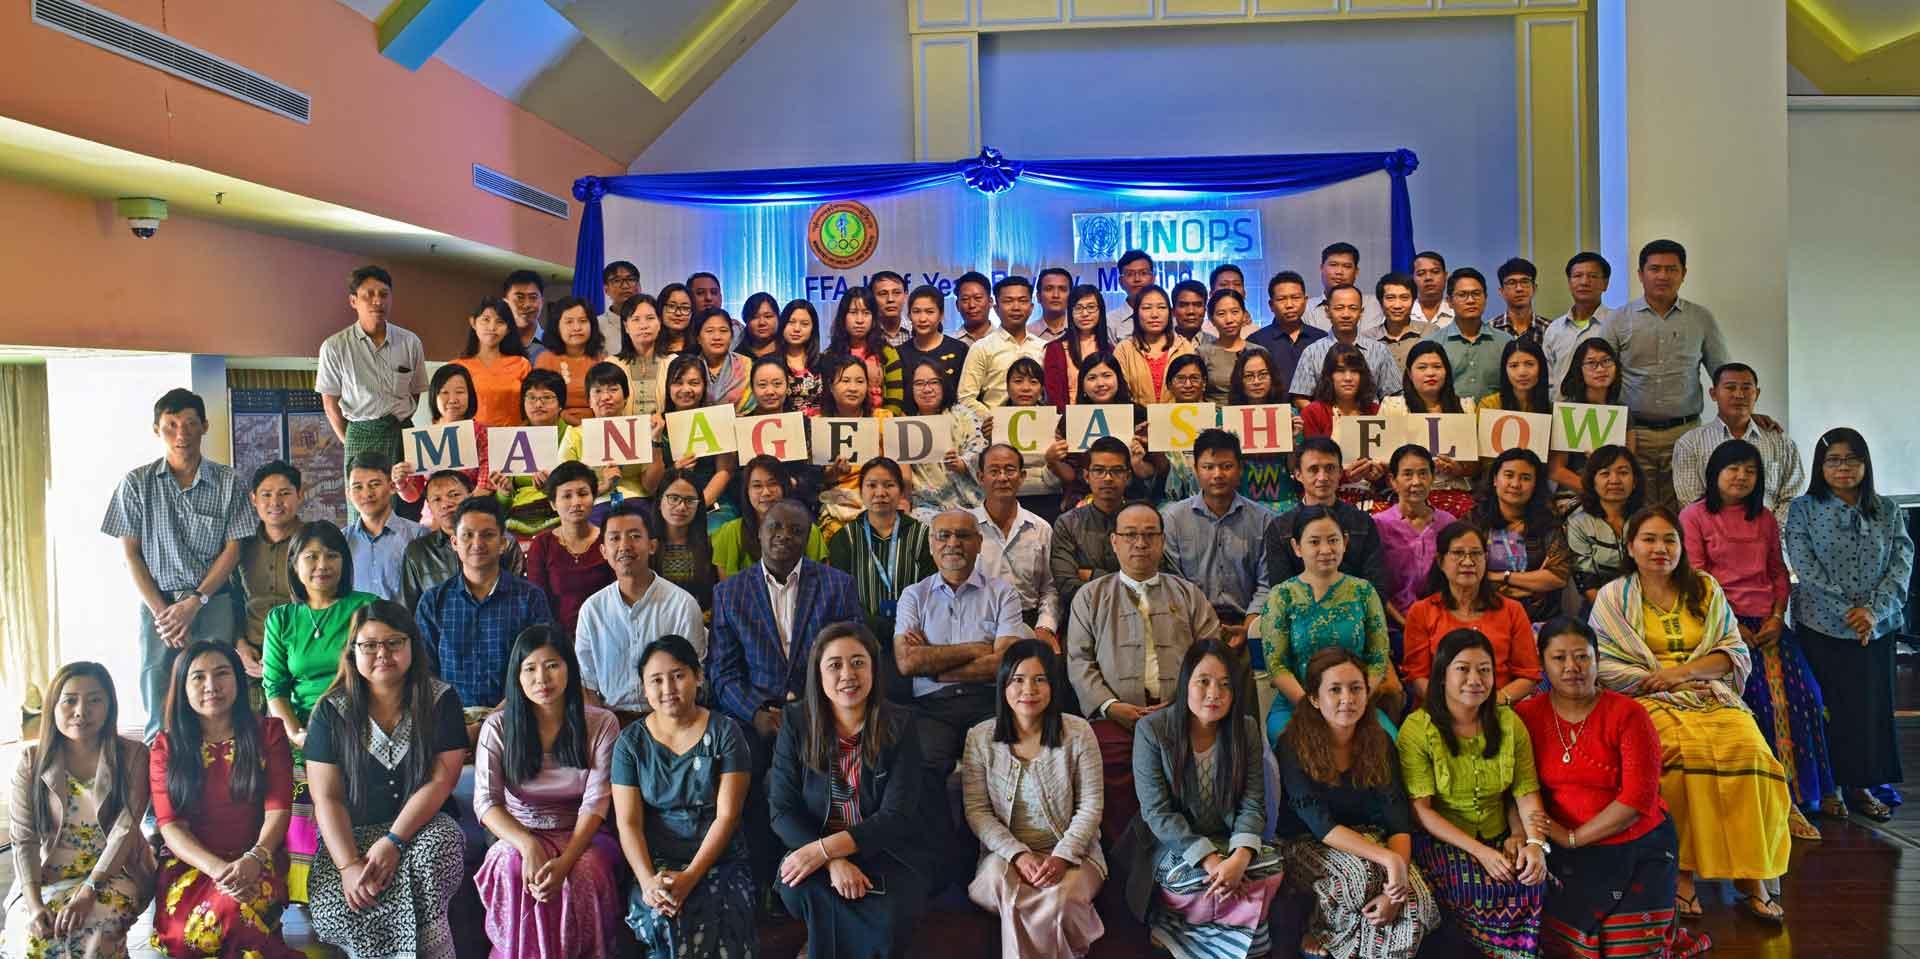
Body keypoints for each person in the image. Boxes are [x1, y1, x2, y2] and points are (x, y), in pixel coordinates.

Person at [1589, 506, 1790, 921]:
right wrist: (1662, 682)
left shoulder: (1705, 589)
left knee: (1751, 754)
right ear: (1630, 547)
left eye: (1669, 540)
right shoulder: (1614, 596)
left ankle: (1752, 875)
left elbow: (1732, 653)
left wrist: (1681, 674)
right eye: (1649, 539)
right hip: (1646, 701)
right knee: (1679, 757)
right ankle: (1682, 874)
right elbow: (1604, 664)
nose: (1660, 549)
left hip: (1710, 694)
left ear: (1683, 546)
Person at [1516, 619, 1711, 959]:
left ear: (1597, 659)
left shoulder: (1628, 713)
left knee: (1631, 951)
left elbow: (1637, 799)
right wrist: (1538, 836)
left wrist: (1574, 837)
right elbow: (1518, 787)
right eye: (1559, 658)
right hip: (1563, 853)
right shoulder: (1527, 715)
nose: (1572, 667)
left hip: (1636, 846)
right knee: (1566, 948)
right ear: (1542, 663)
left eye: (1582, 657)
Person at [706, 499, 862, 889]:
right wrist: (758, 712)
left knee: (817, 785)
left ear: (808, 537)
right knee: (750, 786)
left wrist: (816, 709)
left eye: (796, 530)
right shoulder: (730, 593)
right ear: (759, 531)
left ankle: (816, 870)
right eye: (775, 527)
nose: (784, 536)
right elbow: (722, 674)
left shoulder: (836, 586)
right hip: (756, 717)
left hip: (821, 712)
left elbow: (851, 661)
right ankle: (765, 881)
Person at [1683, 441, 1831, 839]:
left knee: (1804, 699)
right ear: (1714, 473)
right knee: (1759, 704)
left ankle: (1802, 798)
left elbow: (1778, 573)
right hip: (1722, 625)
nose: (1741, 477)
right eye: (1732, 468)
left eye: (1749, 470)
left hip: (1769, 625)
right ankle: (1764, 801)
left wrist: (1777, 617)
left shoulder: (1764, 517)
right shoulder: (1694, 516)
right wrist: (1732, 625)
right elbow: (1697, 579)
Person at [304, 600, 469, 959]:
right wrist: (348, 866)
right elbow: (327, 798)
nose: (383, 653)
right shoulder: (330, 712)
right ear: (353, 651)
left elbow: (441, 781)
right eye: (370, 645)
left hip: (422, 828)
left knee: (436, 852)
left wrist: (394, 840)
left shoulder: (440, 700)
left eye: (394, 642)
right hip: (352, 837)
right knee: (349, 901)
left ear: (412, 645)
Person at [769, 624, 932, 958]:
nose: (848, 674)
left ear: (874, 668)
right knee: (798, 889)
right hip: (814, 849)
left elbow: (896, 816)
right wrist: (830, 860)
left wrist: (826, 851)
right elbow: (781, 810)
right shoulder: (797, 721)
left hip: (885, 851)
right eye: (835, 665)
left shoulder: (900, 724)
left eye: (858, 662)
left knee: (888, 908)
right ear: (818, 672)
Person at [101, 387, 253, 737]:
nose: (181, 433)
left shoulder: (228, 482)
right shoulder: (136, 484)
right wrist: (164, 613)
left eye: (189, 423)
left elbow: (233, 551)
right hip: (159, 606)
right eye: (171, 425)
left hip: (213, 603)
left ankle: (222, 771)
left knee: (218, 693)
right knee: (158, 691)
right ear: (157, 429)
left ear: (205, 426)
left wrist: (195, 602)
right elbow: (131, 554)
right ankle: (160, 777)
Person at [1124, 641, 1290, 958]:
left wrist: (1239, 858)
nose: (1214, 693)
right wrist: (1211, 861)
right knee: (1186, 879)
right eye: (1204, 681)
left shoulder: (1246, 729)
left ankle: (1183, 931)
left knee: (1271, 866)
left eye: (1225, 684)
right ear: (1185, 681)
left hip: (1227, 837)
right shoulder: (1152, 730)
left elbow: (1253, 803)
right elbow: (1157, 813)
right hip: (1172, 843)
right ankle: (1233, 933)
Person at [1066, 502, 1221, 839]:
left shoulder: (1187, 593)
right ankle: (1124, 862)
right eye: (1130, 535)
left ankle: (1186, 853)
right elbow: (1079, 661)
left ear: (1162, 542)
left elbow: (1212, 656)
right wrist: (1110, 706)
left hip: (1182, 715)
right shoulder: (1090, 596)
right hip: (1115, 718)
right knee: (1104, 771)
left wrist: (1183, 702)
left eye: (1150, 535)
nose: (1140, 543)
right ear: (1114, 542)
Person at [1275, 648, 1440, 959]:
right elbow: (1319, 824)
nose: (1347, 699)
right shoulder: (1292, 744)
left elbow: (1397, 818)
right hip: (1307, 842)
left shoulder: (1379, 741)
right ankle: (1324, 930)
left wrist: (1398, 875)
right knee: (1359, 879)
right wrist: (1390, 861)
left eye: (1356, 689)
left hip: (1368, 838)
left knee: (1414, 898)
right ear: (1314, 698)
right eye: (1334, 690)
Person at [1786, 428, 1914, 823]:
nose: (1843, 468)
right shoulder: (1803, 509)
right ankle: (1829, 788)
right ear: (1820, 467)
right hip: (1822, 626)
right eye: (1833, 460)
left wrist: (1873, 612)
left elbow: (1901, 563)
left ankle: (1861, 785)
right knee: (1827, 708)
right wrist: (1849, 611)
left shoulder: (1887, 509)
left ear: (1865, 464)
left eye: (1851, 459)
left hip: (1875, 629)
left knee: (1869, 710)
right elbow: (1805, 568)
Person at [471, 627, 622, 958]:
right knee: (512, 866)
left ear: (569, 667)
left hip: (583, 834)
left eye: (552, 665)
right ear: (517, 676)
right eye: (530, 668)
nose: (543, 678)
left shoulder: (601, 724)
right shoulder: (497, 726)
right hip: (518, 832)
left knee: (584, 870)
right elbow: (485, 802)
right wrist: (527, 845)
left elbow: (596, 802)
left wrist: (566, 860)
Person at [1398, 630, 1548, 959]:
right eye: (1462, 669)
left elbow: (1525, 791)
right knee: (1476, 886)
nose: (1475, 679)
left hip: (1499, 833)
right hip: (1443, 839)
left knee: (1532, 876)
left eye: (1484, 669)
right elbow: (1422, 811)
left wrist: (1532, 841)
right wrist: (1482, 852)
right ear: (1441, 676)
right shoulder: (1418, 729)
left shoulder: (1509, 722)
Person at [149, 642, 301, 958]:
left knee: (224, 918)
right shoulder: (167, 746)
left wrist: (254, 858)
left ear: (238, 680)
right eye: (198, 677)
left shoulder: (268, 733)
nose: (211, 686)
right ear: (182, 687)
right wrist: (219, 870)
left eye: (222, 674)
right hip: (190, 866)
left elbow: (278, 810)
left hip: (257, 859)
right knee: (200, 929)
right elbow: (170, 825)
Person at [960, 640, 1106, 958]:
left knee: (1059, 900)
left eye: (1040, 679)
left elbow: (1091, 806)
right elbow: (978, 811)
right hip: (1004, 858)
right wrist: (1019, 855)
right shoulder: (979, 737)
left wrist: (1061, 857)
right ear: (1003, 685)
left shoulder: (1079, 732)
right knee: (1010, 890)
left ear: (1053, 686)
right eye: (1018, 679)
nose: (1029, 689)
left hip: (1074, 855)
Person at [614, 636, 758, 958]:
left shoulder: (726, 733)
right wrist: (648, 880)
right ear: (644, 687)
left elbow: (727, 817)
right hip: (657, 866)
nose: (668, 688)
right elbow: (628, 823)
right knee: (662, 919)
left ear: (698, 676)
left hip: (720, 861)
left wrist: (691, 876)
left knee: (718, 917)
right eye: (656, 680)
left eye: (678, 675)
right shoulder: (630, 744)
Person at [3, 663, 154, 959]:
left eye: (95, 700)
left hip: (113, 875)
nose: (81, 711)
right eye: (70, 699)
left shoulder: (133, 756)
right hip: (45, 877)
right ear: (53, 706)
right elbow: (24, 840)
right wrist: (34, 906)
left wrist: (89, 889)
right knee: (33, 939)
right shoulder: (30, 761)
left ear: (110, 705)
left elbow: (125, 831)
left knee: (89, 934)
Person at [893, 509, 1027, 778]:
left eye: (963, 535)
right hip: (931, 708)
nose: (953, 543)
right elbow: (908, 663)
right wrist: (977, 648)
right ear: (931, 544)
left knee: (1003, 766)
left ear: (978, 544)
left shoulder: (1003, 593)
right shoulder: (914, 595)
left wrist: (936, 668)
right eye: (944, 535)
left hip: (988, 703)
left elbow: (1005, 663)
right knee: (923, 768)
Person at [1256, 504, 1400, 743]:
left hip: (1354, 704)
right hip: (1297, 705)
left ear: (1345, 542)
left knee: (1390, 743)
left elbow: (1377, 659)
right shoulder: (1282, 596)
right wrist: (1314, 708)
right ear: (1297, 547)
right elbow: (1277, 666)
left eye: (1333, 540)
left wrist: (1355, 702)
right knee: (1296, 746)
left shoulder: (1364, 592)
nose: (1326, 549)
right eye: (1314, 542)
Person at [1606, 240, 1732, 507]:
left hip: (1685, 433)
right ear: (1640, 274)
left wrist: (1745, 414)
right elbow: (1594, 368)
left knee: (1687, 510)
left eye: (1671, 269)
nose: (1662, 276)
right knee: (1638, 511)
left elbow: (1723, 374)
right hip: (1632, 435)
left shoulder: (1701, 319)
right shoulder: (1619, 319)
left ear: (1683, 273)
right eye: (1654, 269)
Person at [414, 496, 554, 718]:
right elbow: (424, 671)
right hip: (451, 719)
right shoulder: (432, 602)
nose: (477, 544)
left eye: (487, 535)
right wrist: (457, 725)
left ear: (502, 543)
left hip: (517, 716)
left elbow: (540, 666)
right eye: (467, 535)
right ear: (454, 543)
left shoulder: (529, 598)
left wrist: (497, 718)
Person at [574, 502, 705, 721]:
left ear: (652, 545)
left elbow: (694, 677)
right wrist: (607, 729)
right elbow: (587, 687)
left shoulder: (681, 604)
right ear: (604, 551)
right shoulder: (592, 610)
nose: (624, 546)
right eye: (615, 538)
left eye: (635, 536)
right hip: (611, 722)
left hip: (671, 718)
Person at [1401, 521, 1542, 708]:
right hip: (1439, 711)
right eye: (1458, 553)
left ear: (1485, 558)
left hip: (1496, 709)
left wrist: (1495, 701)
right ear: (1440, 561)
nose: (1468, 562)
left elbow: (1528, 674)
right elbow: (1417, 676)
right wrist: (1453, 707)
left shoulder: (1512, 610)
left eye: (1475, 553)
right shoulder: (1422, 612)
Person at [316, 265, 428, 479]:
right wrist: (350, 439)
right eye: (369, 295)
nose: (378, 301)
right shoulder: (334, 346)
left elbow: (415, 392)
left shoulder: (410, 342)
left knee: (407, 502)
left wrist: (395, 421)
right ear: (353, 301)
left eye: (384, 295)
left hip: (402, 433)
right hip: (360, 436)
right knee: (364, 506)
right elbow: (330, 405)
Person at [1257, 438, 1390, 609]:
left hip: (1355, 618)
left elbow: (1376, 587)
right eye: (1313, 469)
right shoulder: (1280, 528)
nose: (1323, 477)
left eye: (1330, 468)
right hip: (1301, 623)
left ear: (1340, 472)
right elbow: (1281, 592)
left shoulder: (1362, 523)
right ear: (1298, 475)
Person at [827, 458, 935, 665]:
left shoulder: (922, 535)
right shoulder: (845, 538)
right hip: (862, 640)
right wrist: (875, 629)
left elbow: (930, 590)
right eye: (871, 485)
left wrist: (908, 628)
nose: (880, 492)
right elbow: (842, 596)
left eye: (889, 485)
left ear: (901, 490)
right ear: (861, 490)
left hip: (915, 638)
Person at [1670, 363, 1804, 520]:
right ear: (1713, 394)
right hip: (1713, 539)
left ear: (1757, 393)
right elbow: (1690, 501)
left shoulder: (1782, 443)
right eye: (1730, 387)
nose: (1739, 395)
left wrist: (1769, 529)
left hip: (1770, 536)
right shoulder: (1690, 443)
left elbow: (1793, 497)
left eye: (1746, 388)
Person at [972, 443, 1061, 645]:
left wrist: (1045, 627)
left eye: (1010, 470)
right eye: (994, 471)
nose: (1002, 477)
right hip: (975, 623)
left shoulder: (1041, 529)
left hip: (1027, 621)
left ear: (1022, 476)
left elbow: (1050, 588)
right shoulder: (965, 527)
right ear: (980, 478)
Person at [1045, 353, 1156, 515]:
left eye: (1107, 376)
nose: (1100, 383)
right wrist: (1053, 461)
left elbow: (1153, 472)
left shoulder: (1139, 416)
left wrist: (1137, 463)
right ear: (1082, 385)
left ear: (1118, 379)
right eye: (1092, 378)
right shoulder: (1069, 419)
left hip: (1134, 496)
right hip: (1084, 498)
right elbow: (1071, 477)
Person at [398, 470, 526, 609]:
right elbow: (408, 610)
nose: (446, 504)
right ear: (429, 506)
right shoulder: (417, 552)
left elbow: (520, 597)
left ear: (470, 497)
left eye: (454, 495)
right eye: (437, 499)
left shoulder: (504, 542)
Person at [1047, 435, 1141, 623]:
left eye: (1116, 471)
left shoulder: (1142, 520)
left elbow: (1148, 582)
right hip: (1085, 619)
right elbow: (1067, 587)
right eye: (1098, 470)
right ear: (1086, 476)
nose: (1107, 478)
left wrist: (1090, 574)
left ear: (1128, 476)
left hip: (1137, 616)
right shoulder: (1067, 524)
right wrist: (1123, 580)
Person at [392, 364, 503, 521]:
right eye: (444, 392)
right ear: (434, 397)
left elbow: (486, 484)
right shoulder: (422, 436)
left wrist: (458, 513)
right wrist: (401, 483)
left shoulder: (481, 432)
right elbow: (413, 494)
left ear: (470, 396)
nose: (452, 399)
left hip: (473, 513)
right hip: (433, 517)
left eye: (460, 392)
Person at [1472, 448, 1571, 623]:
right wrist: (1530, 583)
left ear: (1535, 485)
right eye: (1509, 475)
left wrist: (1500, 577)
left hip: (1539, 619)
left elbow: (1558, 577)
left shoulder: (1547, 524)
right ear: (1495, 479)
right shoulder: (1474, 521)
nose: (1516, 484)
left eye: (1525, 478)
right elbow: (1464, 570)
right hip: (1483, 614)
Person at [1384, 340, 1479, 516]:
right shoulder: (1393, 407)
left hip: (1455, 490)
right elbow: (1385, 461)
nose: (1430, 373)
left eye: (1437, 366)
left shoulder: (1465, 407)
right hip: (1406, 494)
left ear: (1447, 372)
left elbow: (1475, 466)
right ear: (1409, 374)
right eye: (1422, 367)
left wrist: (1458, 469)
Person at [645, 354, 740, 531]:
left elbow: (724, 472)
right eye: (678, 383)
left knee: (714, 530)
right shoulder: (657, 423)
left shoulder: (717, 419)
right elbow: (650, 486)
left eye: (694, 383)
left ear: (704, 386)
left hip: (712, 502)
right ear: (668, 387)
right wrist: (672, 470)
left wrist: (697, 505)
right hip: (670, 502)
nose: (686, 389)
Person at [235, 461, 305, 699]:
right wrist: (241, 646)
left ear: (300, 495)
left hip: (302, 657)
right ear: (254, 499)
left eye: (284, 493)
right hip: (252, 660)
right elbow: (231, 598)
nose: (275, 502)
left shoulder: (315, 542)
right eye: (266, 494)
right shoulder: (240, 546)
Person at [524, 461, 613, 634]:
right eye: (566, 496)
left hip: (606, 634)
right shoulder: (542, 545)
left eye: (583, 494)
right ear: (553, 504)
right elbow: (538, 602)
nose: (576, 502)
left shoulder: (609, 539)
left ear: (594, 497)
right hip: (558, 640)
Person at [1374, 445, 1456, 633]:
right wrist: (1406, 625)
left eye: (1423, 474)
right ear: (1392, 481)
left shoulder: (1448, 524)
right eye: (1408, 474)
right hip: (1392, 625)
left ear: (1433, 478)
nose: (1416, 481)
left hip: (1443, 622)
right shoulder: (1378, 525)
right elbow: (1374, 585)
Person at [556, 361, 649, 524]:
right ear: (589, 400)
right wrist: (602, 487)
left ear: (626, 397)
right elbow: (563, 486)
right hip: (594, 506)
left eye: (613, 390)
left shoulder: (641, 430)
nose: (606, 397)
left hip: (637, 501)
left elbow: (651, 484)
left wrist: (655, 443)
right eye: (597, 391)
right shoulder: (575, 435)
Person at [812, 354, 893, 540]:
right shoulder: (819, 423)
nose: (853, 388)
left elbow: (898, 470)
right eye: (845, 381)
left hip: (879, 496)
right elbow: (817, 480)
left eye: (860, 381)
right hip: (837, 501)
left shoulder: (883, 419)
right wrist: (833, 473)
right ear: (831, 387)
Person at [1545, 337, 1632, 509]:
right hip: (1574, 495)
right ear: (1579, 370)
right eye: (1592, 363)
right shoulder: (1567, 411)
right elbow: (1556, 470)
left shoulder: (1623, 411)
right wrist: (1596, 491)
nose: (1600, 369)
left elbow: (1629, 465)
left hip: (1615, 493)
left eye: (1607, 361)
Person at [1297, 346, 1388, 508]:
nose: (1348, 378)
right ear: (1329, 376)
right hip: (1324, 496)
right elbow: (1310, 469)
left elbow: (1390, 472)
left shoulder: (1376, 411)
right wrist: (1344, 476)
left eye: (1354, 371)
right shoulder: (1313, 412)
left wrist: (1379, 475)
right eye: (1340, 371)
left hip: (1371, 497)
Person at [713, 454, 830, 575]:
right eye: (757, 486)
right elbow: (727, 591)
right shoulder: (730, 533)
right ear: (746, 492)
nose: (766, 492)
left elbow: (822, 584)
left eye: (772, 484)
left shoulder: (810, 532)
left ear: (784, 488)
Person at [902, 358, 988, 520]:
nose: (927, 389)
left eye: (933, 382)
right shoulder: (905, 424)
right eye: (919, 384)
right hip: (926, 505)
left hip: (970, 502)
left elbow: (980, 448)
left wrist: (962, 463)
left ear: (943, 385)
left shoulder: (964, 415)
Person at [1560, 445, 1644, 611]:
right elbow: (1586, 581)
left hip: (1646, 604)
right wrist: (1615, 615)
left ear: (1634, 482)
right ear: (1592, 482)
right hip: (1599, 606)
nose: (1614, 480)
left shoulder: (1648, 519)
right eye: (1605, 473)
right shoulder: (1579, 523)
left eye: (1623, 473)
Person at [1289, 284, 1402, 401]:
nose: (1346, 315)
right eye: (1339, 308)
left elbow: (1394, 395)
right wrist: (1322, 418)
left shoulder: (1379, 351)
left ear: (1361, 312)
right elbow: (1301, 397)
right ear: (1327, 312)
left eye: (1353, 308)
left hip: (1370, 418)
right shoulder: (1312, 352)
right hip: (1326, 418)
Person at [955, 275, 1048, 416]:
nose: (1016, 307)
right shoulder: (982, 348)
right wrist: (993, 420)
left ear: (1031, 308)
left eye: (1022, 301)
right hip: (993, 432)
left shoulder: (1044, 348)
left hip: (1038, 428)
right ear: (996, 308)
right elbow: (966, 397)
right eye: (1008, 301)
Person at [345, 450, 428, 603]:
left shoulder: (418, 535)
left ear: (392, 487)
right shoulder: (342, 540)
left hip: (407, 626)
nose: (367, 493)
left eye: (375, 484)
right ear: (349, 493)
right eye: (358, 487)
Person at [1226, 348, 1303, 513]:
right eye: (1249, 376)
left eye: (1263, 374)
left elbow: (1295, 470)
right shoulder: (1225, 418)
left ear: (1272, 378)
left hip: (1285, 502)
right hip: (1239, 503)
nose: (1256, 381)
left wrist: (1293, 441)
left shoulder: (1290, 416)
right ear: (1240, 381)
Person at [1421, 267, 1512, 403]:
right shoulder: (1433, 344)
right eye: (1462, 295)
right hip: (1449, 420)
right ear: (1450, 302)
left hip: (1494, 421)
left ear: (1485, 298)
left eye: (1476, 294)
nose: (1470, 300)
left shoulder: (1506, 342)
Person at [502, 369, 573, 537]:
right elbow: (502, 504)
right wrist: (504, 492)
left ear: (561, 404)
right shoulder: (511, 438)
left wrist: (553, 486)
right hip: (517, 515)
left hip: (563, 511)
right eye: (532, 397)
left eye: (547, 397)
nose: (538, 404)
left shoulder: (574, 436)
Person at [998, 357, 1067, 521]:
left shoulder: (1056, 421)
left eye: (1033, 382)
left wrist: (1052, 461)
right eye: (1018, 381)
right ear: (1007, 387)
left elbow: (1059, 480)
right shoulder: (994, 423)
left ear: (1042, 388)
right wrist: (989, 442)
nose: (1026, 388)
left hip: (1048, 499)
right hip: (1005, 499)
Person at [1245, 271, 1328, 396]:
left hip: (1313, 412)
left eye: (1295, 298)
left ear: (1305, 301)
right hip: (1272, 412)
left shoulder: (1321, 339)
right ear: (1271, 305)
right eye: (1281, 299)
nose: (1289, 305)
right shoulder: (1256, 341)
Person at [887, 285, 970, 409]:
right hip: (909, 425)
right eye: (916, 312)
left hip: (953, 424)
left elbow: (966, 397)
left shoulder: (959, 350)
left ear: (941, 315)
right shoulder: (898, 354)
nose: (922, 319)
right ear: (909, 315)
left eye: (929, 312)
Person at [1542, 252, 1615, 391]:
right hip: (1560, 410)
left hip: (1604, 410)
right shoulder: (1554, 329)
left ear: (1606, 284)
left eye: (1592, 276)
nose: (1584, 282)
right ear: (1569, 283)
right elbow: (1547, 380)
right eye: (1577, 276)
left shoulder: (1617, 324)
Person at [454, 297, 532, 427]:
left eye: (500, 322)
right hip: (471, 441)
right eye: (486, 319)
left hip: (513, 440)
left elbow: (532, 405)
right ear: (473, 323)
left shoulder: (521, 364)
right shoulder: (457, 367)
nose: (492, 327)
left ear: (508, 329)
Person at [649, 470, 722, 609]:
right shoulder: (646, 547)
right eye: (674, 498)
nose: (682, 506)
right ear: (659, 502)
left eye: (690, 500)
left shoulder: (710, 546)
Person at [1113, 285, 1196, 404]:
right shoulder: (1124, 349)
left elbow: (1194, 392)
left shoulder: (1185, 347)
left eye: (1161, 307)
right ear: (1136, 313)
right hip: (1137, 420)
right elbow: (1119, 394)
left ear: (1170, 312)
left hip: (1178, 418)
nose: (1154, 314)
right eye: (1146, 308)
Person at [535, 296, 609, 427]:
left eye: (583, 321)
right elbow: (541, 403)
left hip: (598, 429)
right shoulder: (545, 360)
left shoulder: (602, 359)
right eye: (569, 322)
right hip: (558, 429)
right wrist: (577, 425)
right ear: (557, 326)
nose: (577, 328)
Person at [1153, 354, 1216, 503]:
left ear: (1204, 382)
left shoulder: (1218, 418)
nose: (1188, 384)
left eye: (1194, 378)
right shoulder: (1156, 421)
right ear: (1169, 385)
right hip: (1169, 500)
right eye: (1180, 379)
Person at [1042, 284, 1113, 406]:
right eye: (1078, 308)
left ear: (1100, 311)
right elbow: (1054, 396)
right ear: (1070, 312)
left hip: (1106, 416)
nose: (1085, 313)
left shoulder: (1111, 350)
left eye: (1091, 307)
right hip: (1068, 419)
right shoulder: (1055, 349)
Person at [1305, 242, 1387, 337]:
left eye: (1347, 266)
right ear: (1321, 268)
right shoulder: (1307, 309)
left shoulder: (1377, 305)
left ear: (1356, 272)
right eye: (1333, 265)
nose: (1339, 272)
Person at [827, 288, 888, 411]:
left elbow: (896, 394)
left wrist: (889, 417)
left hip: (882, 422)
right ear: (843, 316)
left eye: (866, 313)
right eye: (853, 312)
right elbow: (828, 397)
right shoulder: (831, 354)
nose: (860, 320)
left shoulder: (887, 351)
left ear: (874, 318)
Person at [614, 293, 672, 419]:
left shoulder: (673, 363)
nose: (644, 325)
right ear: (626, 327)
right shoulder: (613, 364)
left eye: (650, 318)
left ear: (660, 323)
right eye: (636, 319)